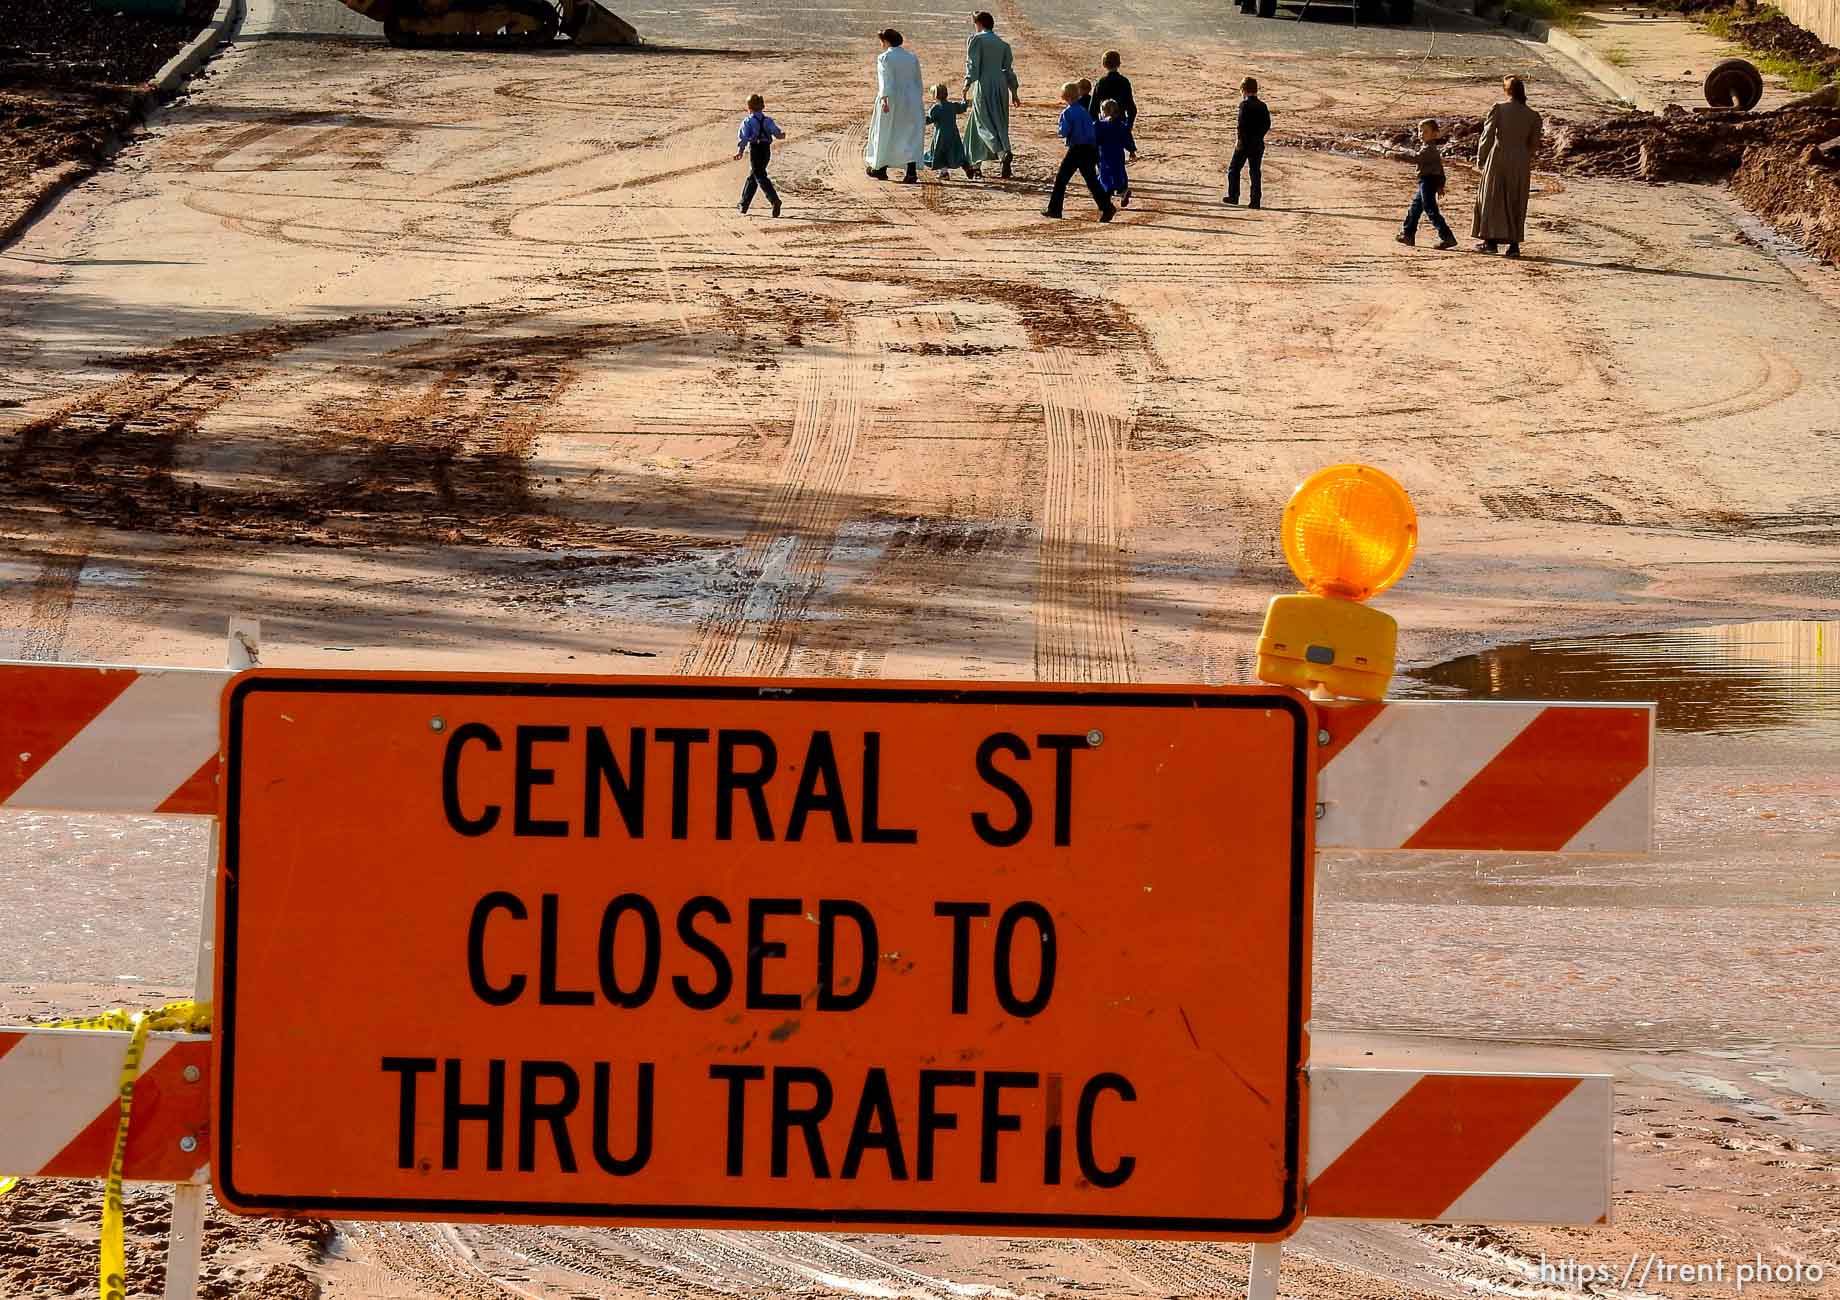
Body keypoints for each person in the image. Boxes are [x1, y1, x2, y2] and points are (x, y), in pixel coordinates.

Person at [1473, 75, 1542, 257]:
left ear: (1507, 91)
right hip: (1521, 161)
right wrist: (1521, 153)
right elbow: (1534, 144)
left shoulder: (1499, 108)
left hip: (1499, 157)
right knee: (1516, 200)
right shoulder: (1533, 116)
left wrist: (1481, 158)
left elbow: (1487, 136)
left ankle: (1490, 242)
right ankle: (1514, 245)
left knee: (1492, 198)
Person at [1043, 81, 1115, 222]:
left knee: (1061, 179)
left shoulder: (1068, 112)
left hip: (1076, 148)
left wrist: (1060, 130)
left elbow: (1064, 132)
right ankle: (1107, 207)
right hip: (1090, 148)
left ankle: (1055, 209)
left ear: (1065, 97)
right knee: (1091, 180)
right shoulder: (1083, 110)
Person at [964, 11, 1020, 178]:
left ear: (979, 23)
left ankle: (1002, 153)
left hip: (984, 84)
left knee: (983, 123)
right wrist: (1014, 91)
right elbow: (1008, 70)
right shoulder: (1003, 44)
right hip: (1001, 86)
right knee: (997, 123)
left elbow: (973, 65)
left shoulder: (976, 40)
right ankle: (977, 163)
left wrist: (967, 83)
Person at [865, 28, 925, 184]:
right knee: (909, 134)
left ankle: (880, 168)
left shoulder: (884, 58)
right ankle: (911, 171)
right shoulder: (912, 57)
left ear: (886, 41)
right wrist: (917, 99)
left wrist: (884, 99)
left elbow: (885, 81)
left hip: (892, 99)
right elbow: (917, 81)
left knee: (886, 132)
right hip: (912, 99)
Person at [1393, 118, 1456, 249]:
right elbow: (1439, 168)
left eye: (1425, 131)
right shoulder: (1428, 148)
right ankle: (1408, 234)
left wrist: (1396, 155)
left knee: (1430, 209)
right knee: (1415, 208)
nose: (1421, 134)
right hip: (1426, 181)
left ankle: (1447, 237)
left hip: (1428, 181)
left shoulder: (1429, 149)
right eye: (1420, 131)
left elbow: (1416, 158)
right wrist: (1440, 185)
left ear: (1435, 134)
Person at [733, 93, 786, 217]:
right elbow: (777, 133)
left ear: (749, 108)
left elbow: (744, 138)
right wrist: (781, 135)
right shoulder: (768, 120)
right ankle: (744, 204)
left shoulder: (748, 121)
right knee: (754, 175)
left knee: (759, 175)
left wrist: (740, 151)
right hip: (766, 150)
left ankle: (774, 200)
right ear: (763, 106)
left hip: (755, 149)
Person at [1224, 76, 1270, 208]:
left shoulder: (1244, 105)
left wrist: (1239, 140)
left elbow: (1241, 124)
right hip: (1257, 143)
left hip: (1245, 143)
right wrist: (1259, 136)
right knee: (1255, 172)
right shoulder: (1262, 105)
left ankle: (1234, 196)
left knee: (1234, 169)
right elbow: (1267, 124)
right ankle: (1255, 201)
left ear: (1244, 90)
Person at [925, 84, 977, 179]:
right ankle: (965, 165)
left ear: (935, 96)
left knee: (941, 154)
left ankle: (944, 173)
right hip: (954, 134)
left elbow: (929, 120)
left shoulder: (935, 109)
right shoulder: (952, 106)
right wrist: (964, 98)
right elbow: (962, 107)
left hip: (940, 136)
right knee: (956, 151)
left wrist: (919, 118)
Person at [1094, 98, 1137, 208]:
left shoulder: (1099, 125)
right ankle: (1123, 190)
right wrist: (1132, 150)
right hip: (1118, 154)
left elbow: (1094, 140)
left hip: (1105, 154)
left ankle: (1107, 195)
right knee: (1120, 172)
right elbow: (1127, 138)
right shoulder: (1121, 125)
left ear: (1103, 112)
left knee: (1105, 175)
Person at [1091, 49, 1137, 128]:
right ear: (1119, 64)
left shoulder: (1101, 82)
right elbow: (1132, 109)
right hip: (1120, 122)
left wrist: (1098, 125)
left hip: (1104, 123)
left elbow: (1092, 109)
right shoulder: (1124, 82)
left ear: (1104, 65)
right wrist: (1128, 126)